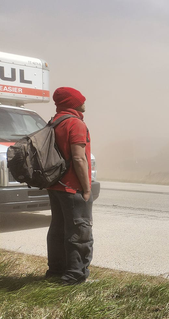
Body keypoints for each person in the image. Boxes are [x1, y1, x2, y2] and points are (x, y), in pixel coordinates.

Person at [45, 87, 94, 285]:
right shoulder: (75, 123)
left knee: (57, 229)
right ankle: (75, 275)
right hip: (72, 187)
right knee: (79, 231)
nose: (84, 101)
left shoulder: (54, 122)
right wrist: (87, 188)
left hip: (55, 185)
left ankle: (56, 271)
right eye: (81, 99)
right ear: (73, 102)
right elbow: (78, 158)